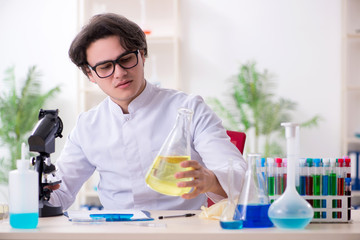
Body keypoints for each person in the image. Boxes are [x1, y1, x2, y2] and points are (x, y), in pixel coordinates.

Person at [50, 13, 246, 210]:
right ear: (90, 74)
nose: (119, 73)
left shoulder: (190, 108)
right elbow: (59, 192)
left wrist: (210, 180)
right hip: (118, 230)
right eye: (105, 67)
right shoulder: (87, 125)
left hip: (184, 230)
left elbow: (238, 174)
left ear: (142, 55)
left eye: (126, 59)